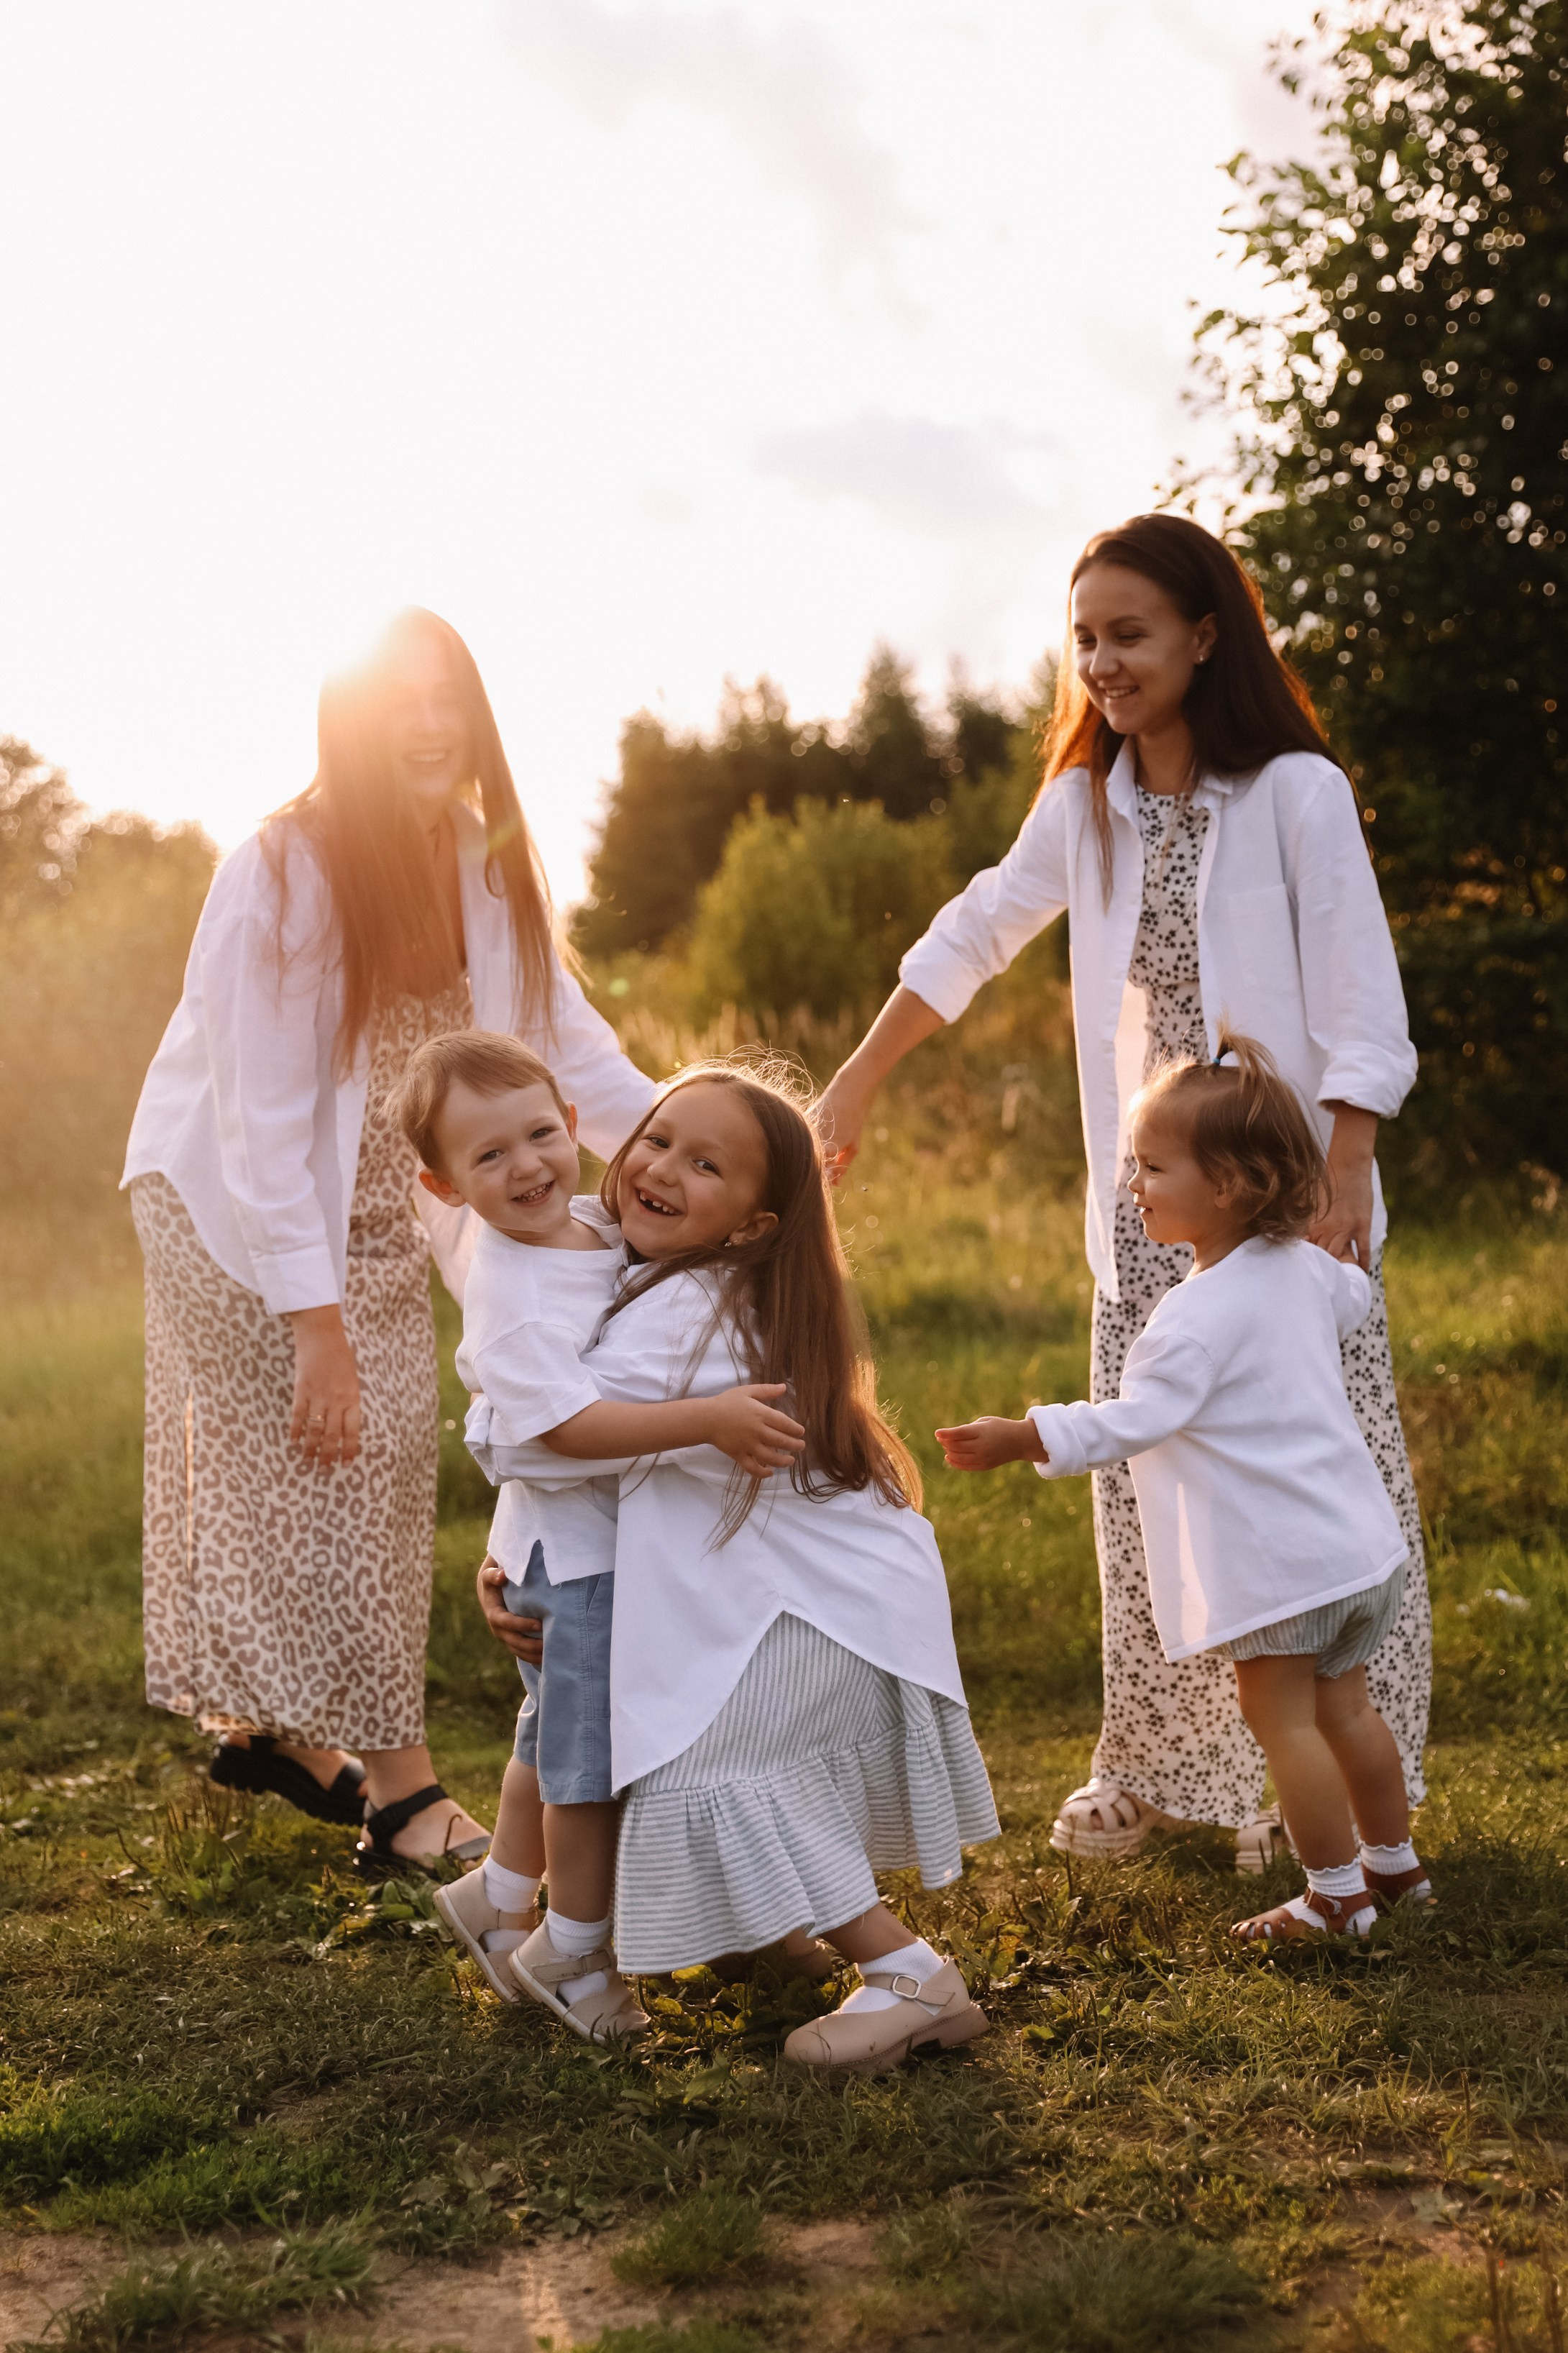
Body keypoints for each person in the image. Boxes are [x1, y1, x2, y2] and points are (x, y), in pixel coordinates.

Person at [817, 512, 1428, 1872]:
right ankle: (1157, 1767)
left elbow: (1361, 997)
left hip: (1287, 1209)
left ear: (1205, 637)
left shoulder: (1296, 793)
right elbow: (977, 930)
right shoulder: (1083, 806)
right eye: (1085, 637)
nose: (1101, 662)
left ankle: (1324, 1789)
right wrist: (855, 1081)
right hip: (1150, 1213)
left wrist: (1346, 1175)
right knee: (1155, 1487)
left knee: (1315, 1482)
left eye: (1130, 634)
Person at [122, 610, 656, 1872]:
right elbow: (259, 1113)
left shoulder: (484, 859)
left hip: (381, 1204)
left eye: (446, 698)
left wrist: (703, 1143)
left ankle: (276, 1736)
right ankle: (401, 1798)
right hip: (228, 1210)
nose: (428, 724)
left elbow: (565, 1047)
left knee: (342, 1467)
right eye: (397, 703)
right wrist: (314, 1323)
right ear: (350, 725)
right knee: (346, 1457)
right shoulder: (283, 866)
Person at [485, 1059, 1001, 2075]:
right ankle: (767, 1934)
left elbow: (533, 1437)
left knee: (717, 1773)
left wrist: (505, 1472)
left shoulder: (690, 1313)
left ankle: (911, 1976)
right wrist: (512, 1557)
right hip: (820, 1600)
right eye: (658, 1138)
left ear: (752, 1226)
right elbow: (566, 1446)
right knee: (701, 1763)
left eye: (706, 1165)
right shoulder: (669, 1281)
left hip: (811, 1615)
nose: (661, 1168)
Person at [938, 1037, 1432, 1942]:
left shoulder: (1192, 1318)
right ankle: (1395, 1867)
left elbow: (1132, 1420)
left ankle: (1335, 1895)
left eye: (1153, 1166)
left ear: (1231, 1185)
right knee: (1350, 1711)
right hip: (1360, 1555)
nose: (1133, 1183)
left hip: (1284, 1573)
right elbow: (1354, 1295)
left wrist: (1026, 1435)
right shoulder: (1306, 1269)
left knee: (1284, 1725)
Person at [388, 1029, 804, 2040]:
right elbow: (561, 1430)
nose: (527, 1165)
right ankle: (573, 1954)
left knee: (549, 1736)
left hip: (564, 1546)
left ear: (574, 1124)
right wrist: (706, 1421)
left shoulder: (584, 1223)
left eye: (540, 1134)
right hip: (578, 1566)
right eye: (488, 1156)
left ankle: (499, 1895)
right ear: (444, 1186)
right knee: (590, 1770)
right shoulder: (515, 1295)